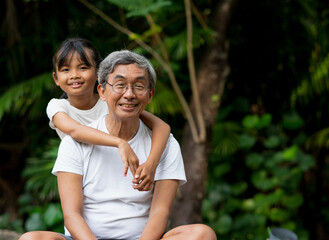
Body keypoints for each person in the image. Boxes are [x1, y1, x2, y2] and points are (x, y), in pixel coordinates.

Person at [19, 50, 216, 240]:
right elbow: (72, 215)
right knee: (31, 238)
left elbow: (160, 212)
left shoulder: (165, 144)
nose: (129, 94)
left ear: (150, 94)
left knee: (202, 234)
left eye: (139, 86)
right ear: (102, 91)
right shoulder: (74, 143)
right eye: (120, 85)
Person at [46, 38, 170, 190]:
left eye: (83, 67)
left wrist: (151, 164)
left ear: (99, 72)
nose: (74, 75)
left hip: (122, 168)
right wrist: (119, 142)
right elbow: (75, 130)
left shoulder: (112, 101)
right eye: (66, 70)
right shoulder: (57, 106)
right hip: (83, 175)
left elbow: (162, 127)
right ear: (56, 78)